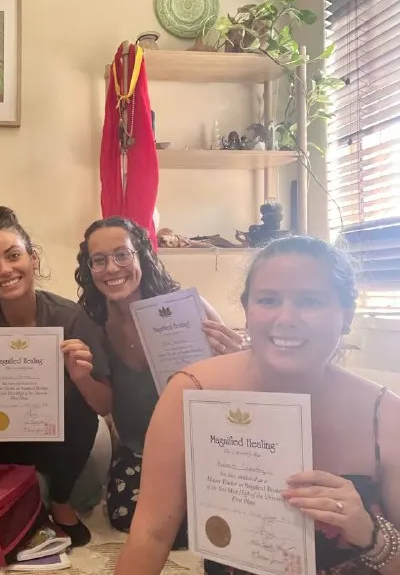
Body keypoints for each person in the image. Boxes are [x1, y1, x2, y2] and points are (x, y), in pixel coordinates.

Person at [113, 236, 400, 575]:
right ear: (247, 310)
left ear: (347, 314)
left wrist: (372, 535)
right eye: (268, 300)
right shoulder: (192, 391)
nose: (286, 318)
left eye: (310, 301)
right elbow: (151, 534)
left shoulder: (385, 415)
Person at [0, 206, 112, 548]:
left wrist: (81, 377)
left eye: (13, 256)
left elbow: (104, 404)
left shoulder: (70, 316)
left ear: (33, 259)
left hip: (53, 440)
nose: (4, 270)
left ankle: (60, 502)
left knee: (77, 402)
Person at [75, 216, 243, 536]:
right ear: (89, 268)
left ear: (142, 256)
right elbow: (102, 405)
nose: (111, 268)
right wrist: (80, 375)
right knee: (128, 518)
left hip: (201, 448)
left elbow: (234, 385)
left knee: (213, 526)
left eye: (122, 254)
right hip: (141, 451)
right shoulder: (94, 323)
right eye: (99, 260)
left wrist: (234, 356)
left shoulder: (186, 308)